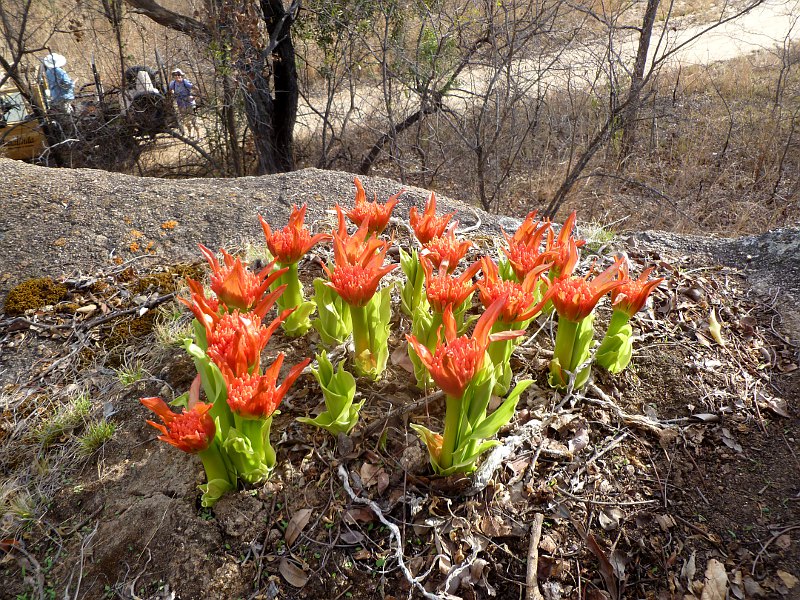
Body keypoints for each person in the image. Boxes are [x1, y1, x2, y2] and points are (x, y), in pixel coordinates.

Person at [168, 68, 198, 138]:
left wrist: (194, 97)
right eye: (175, 75)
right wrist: (173, 94)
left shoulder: (185, 82)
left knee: (193, 120)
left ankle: (198, 135)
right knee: (186, 120)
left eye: (178, 74)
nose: (177, 76)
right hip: (180, 104)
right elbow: (170, 91)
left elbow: (196, 88)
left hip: (189, 104)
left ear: (181, 75)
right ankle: (190, 134)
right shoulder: (173, 83)